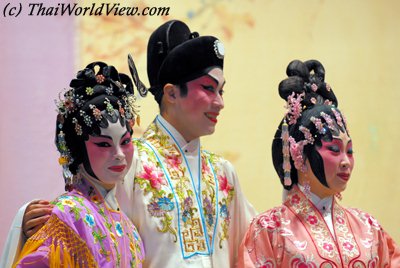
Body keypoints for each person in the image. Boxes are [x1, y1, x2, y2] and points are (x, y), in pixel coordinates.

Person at [2, 20, 256, 268]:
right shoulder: (131, 162)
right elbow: (86, 221)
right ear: (171, 93)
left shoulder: (223, 173)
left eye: (221, 91)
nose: (219, 102)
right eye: (208, 89)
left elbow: (253, 249)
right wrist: (29, 220)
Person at [237, 59, 400, 267]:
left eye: (349, 151)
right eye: (334, 149)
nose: (345, 161)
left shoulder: (368, 226)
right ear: (300, 155)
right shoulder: (270, 229)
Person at [13, 62, 145, 267]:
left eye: (125, 142)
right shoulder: (65, 215)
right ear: (78, 150)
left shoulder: (130, 230)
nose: (119, 155)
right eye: (103, 144)